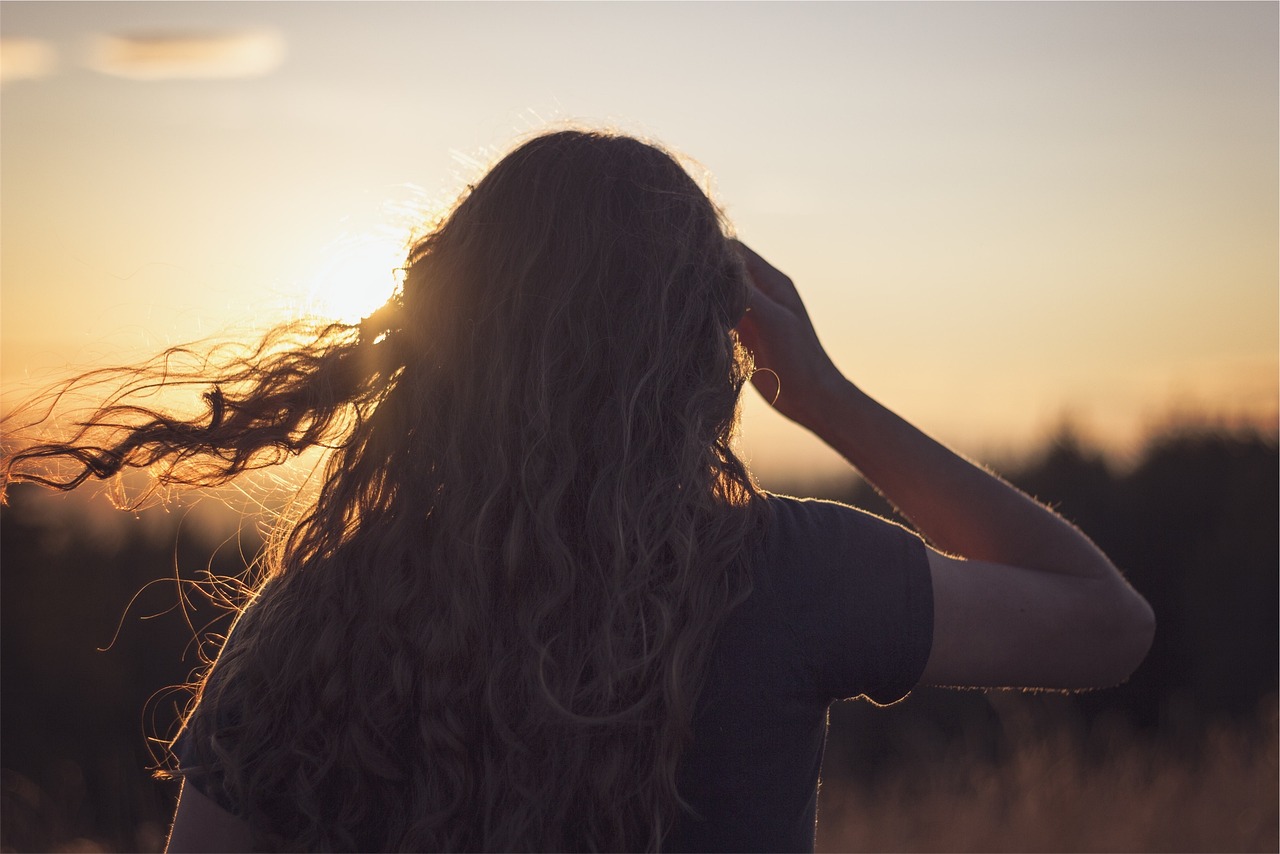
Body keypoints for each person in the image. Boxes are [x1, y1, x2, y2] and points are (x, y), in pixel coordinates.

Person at [0, 129, 1154, 853]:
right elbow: (1104, 622)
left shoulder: (310, 618)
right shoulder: (788, 577)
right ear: (699, 351)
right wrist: (827, 398)